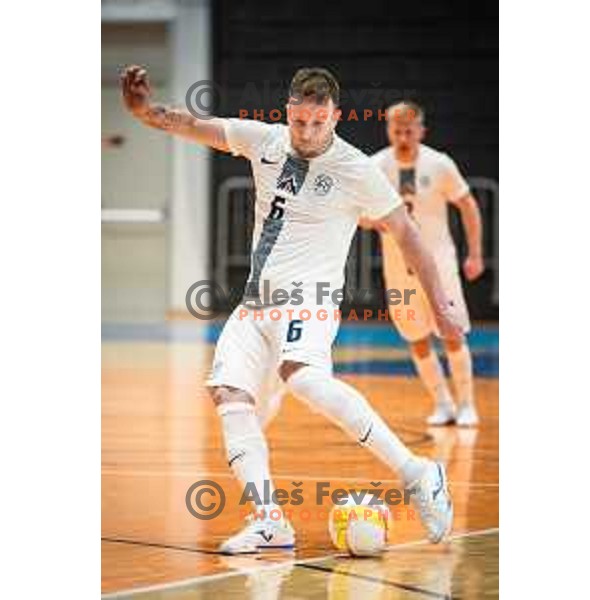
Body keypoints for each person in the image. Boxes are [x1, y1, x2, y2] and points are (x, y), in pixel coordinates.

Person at [121, 65, 462, 554]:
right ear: (288, 114)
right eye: (299, 122)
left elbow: (407, 233)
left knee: (302, 376)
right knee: (229, 395)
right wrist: (143, 113)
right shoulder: (263, 140)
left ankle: (418, 472)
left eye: (318, 123)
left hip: (311, 299)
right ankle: (269, 522)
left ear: (335, 117)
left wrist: (442, 303)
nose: (306, 133)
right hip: (256, 303)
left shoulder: (356, 168)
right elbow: (192, 124)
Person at [366, 101, 484, 427]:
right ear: (388, 130)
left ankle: (467, 405)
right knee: (415, 336)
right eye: (397, 130)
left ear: (421, 130)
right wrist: (378, 221)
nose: (403, 136)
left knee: (452, 330)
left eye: (409, 130)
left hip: (440, 266)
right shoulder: (375, 166)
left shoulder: (439, 163)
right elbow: (359, 215)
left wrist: (474, 253)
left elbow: (468, 204)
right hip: (398, 269)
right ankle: (443, 403)